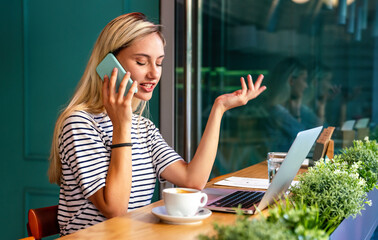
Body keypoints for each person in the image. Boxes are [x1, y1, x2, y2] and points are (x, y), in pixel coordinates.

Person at [48, 12, 266, 236]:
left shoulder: (143, 127)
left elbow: (193, 180)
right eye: (141, 62)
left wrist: (219, 108)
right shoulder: (79, 123)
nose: (154, 73)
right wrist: (122, 126)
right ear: (109, 63)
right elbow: (114, 208)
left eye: (159, 63)